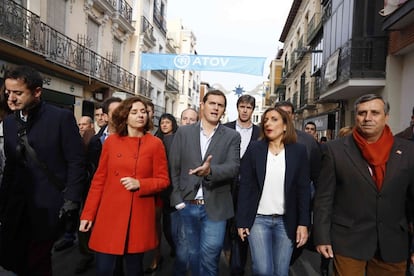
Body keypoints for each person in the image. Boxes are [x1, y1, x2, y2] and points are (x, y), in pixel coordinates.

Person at [313, 94, 414, 275]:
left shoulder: (407, 151)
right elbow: (324, 198)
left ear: (386, 117)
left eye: (375, 113)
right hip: (348, 240)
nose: (368, 118)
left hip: (393, 242)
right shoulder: (334, 150)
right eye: (362, 113)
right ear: (355, 117)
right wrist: (321, 237)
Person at [0, 65, 84, 275]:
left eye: (18, 93)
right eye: (8, 92)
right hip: (17, 206)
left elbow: (76, 161)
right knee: (14, 257)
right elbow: (11, 164)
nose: (11, 99)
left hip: (50, 206)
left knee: (38, 260)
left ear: (37, 92)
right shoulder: (9, 122)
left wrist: (71, 201)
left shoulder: (60, 118)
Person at [79, 96, 170, 275]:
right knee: (105, 268)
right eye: (134, 112)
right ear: (125, 116)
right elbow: (99, 180)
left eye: (143, 112)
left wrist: (141, 184)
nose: (140, 115)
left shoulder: (155, 144)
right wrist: (88, 214)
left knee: (133, 269)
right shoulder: (111, 142)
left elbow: (163, 180)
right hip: (109, 214)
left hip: (138, 215)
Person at [169, 89, 241, 276]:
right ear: (202, 105)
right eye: (212, 103)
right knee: (190, 255)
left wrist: (211, 171)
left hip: (216, 208)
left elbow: (233, 167)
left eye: (220, 105)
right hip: (187, 205)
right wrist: (178, 200)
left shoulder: (232, 136)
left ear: (224, 110)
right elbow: (174, 168)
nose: (216, 108)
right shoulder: (184, 132)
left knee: (210, 257)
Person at [236, 106, 311, 276]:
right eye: (266, 120)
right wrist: (241, 221)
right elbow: (245, 187)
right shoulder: (254, 149)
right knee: (263, 270)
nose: (268, 123)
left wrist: (304, 223)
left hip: (287, 221)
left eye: (274, 119)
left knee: (281, 271)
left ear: (285, 125)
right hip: (258, 220)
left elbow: (303, 189)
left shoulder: (298, 151)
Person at [75, 97, 122, 274]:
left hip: (119, 195)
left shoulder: (131, 138)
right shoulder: (94, 139)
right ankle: (88, 255)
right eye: (115, 112)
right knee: (86, 224)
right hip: (93, 190)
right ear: (106, 116)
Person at [223, 94, 260, 276]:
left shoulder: (260, 133)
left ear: (253, 110)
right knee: (223, 228)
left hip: (249, 189)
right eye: (242, 107)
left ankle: (237, 268)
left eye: (249, 107)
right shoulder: (225, 129)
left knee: (242, 229)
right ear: (237, 108)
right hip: (225, 188)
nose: (245, 110)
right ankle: (229, 256)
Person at [145, 113, 179, 274]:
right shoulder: (155, 140)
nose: (165, 125)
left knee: (171, 228)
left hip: (173, 189)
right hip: (157, 188)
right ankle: (157, 255)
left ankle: (175, 248)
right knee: (155, 225)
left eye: (168, 122)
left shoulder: (179, 140)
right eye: (162, 122)